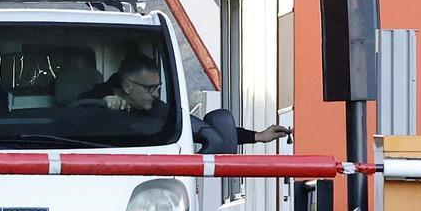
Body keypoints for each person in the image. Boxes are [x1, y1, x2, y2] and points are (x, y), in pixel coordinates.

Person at [87, 53, 290, 144]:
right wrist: (101, 103)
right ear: (127, 86)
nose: (156, 95)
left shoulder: (157, 111)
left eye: (158, 88)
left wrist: (258, 136)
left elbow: (195, 128)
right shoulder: (92, 99)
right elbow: (64, 118)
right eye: (150, 89)